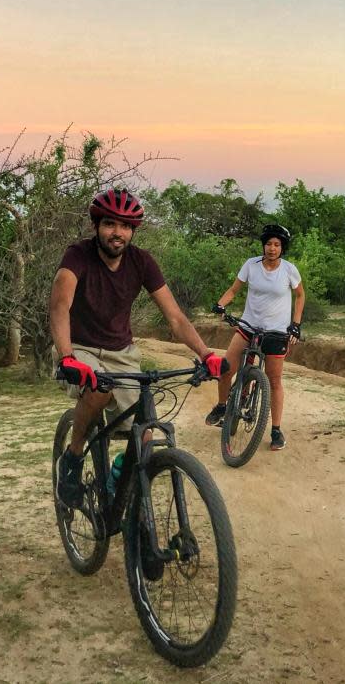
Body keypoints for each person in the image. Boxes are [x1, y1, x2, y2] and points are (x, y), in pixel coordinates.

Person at [51, 187, 224, 507]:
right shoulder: (78, 256)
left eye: (126, 226)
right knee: (99, 387)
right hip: (78, 347)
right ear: (96, 226)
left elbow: (174, 317)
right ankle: (73, 457)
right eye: (111, 225)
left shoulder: (142, 262)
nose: (118, 233)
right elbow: (60, 307)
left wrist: (205, 353)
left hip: (122, 354)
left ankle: (118, 479)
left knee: (145, 435)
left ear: (133, 231)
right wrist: (67, 357)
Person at [206, 223, 304, 451]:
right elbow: (234, 290)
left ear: (282, 248)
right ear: (263, 246)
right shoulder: (251, 265)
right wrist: (220, 305)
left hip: (277, 332)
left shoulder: (289, 270)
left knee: (274, 380)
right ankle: (222, 406)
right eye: (268, 244)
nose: (272, 248)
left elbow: (300, 296)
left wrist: (295, 326)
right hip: (248, 326)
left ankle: (276, 430)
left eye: (277, 245)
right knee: (226, 367)